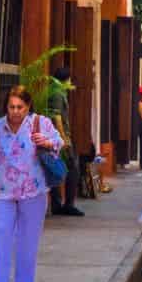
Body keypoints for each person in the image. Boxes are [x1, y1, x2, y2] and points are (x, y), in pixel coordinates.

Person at [0, 86, 62, 282]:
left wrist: (47, 142)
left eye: (20, 107)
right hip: (3, 191)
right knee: (1, 234)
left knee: (28, 239)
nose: (15, 111)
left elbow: (60, 142)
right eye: (11, 107)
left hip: (34, 190)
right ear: (6, 107)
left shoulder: (40, 123)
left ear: (28, 107)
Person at [46, 67, 85, 217]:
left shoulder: (56, 90)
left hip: (56, 136)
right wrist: (63, 138)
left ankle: (58, 204)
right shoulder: (57, 93)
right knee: (73, 168)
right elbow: (57, 117)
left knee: (57, 168)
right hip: (58, 137)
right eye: (69, 79)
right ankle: (67, 204)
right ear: (66, 79)